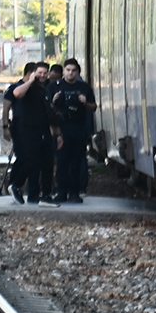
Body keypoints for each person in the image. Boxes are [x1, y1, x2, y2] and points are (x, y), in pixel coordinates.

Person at [5, 62, 59, 206]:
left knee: (47, 161)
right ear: (33, 73)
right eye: (39, 73)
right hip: (27, 130)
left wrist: (57, 134)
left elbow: (49, 113)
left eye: (44, 73)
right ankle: (16, 185)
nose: (42, 76)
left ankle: (45, 195)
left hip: (43, 130)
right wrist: (30, 81)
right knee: (32, 160)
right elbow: (17, 94)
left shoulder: (45, 90)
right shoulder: (29, 88)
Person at [49, 58, 96, 204]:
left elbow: (94, 107)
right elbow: (47, 106)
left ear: (78, 72)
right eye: (68, 70)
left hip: (78, 127)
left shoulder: (84, 88)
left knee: (77, 161)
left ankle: (74, 192)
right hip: (61, 127)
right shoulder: (54, 86)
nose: (70, 73)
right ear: (64, 71)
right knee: (61, 161)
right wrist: (53, 100)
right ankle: (61, 191)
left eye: (73, 71)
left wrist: (85, 102)